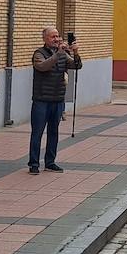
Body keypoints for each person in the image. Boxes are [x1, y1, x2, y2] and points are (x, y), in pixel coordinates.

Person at [31, 27, 81, 174]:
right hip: (42, 100)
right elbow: (42, 67)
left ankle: (50, 162)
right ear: (45, 39)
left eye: (58, 36)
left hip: (58, 99)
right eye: (53, 37)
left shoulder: (63, 54)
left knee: (54, 132)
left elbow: (77, 66)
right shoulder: (39, 53)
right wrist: (58, 54)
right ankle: (33, 163)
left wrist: (75, 52)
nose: (56, 39)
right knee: (37, 132)